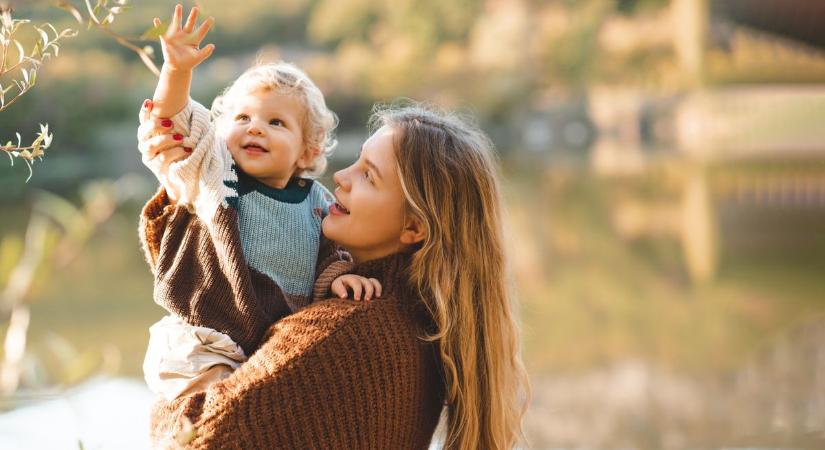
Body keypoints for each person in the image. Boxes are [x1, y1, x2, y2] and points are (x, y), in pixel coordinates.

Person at [139, 97, 530, 448]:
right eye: (356, 161)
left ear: (414, 227)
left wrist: (166, 404)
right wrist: (187, 197)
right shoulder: (414, 319)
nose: (341, 177)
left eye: (368, 176)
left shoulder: (341, 331)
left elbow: (193, 440)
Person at [139, 5, 379, 401]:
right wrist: (177, 72)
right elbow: (175, 122)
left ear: (308, 151)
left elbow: (330, 255)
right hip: (201, 342)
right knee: (218, 419)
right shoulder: (214, 173)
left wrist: (338, 279)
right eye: (243, 117)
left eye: (276, 123)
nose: (255, 127)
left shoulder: (316, 202)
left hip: (262, 348)